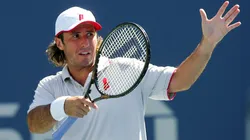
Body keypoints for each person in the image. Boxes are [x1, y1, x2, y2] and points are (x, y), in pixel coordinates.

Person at [27, 1, 241, 140]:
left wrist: (208, 43)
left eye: (89, 34)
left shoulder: (128, 69)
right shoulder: (50, 86)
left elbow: (180, 81)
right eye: (75, 36)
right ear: (60, 42)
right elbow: (35, 124)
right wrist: (62, 107)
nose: (85, 42)